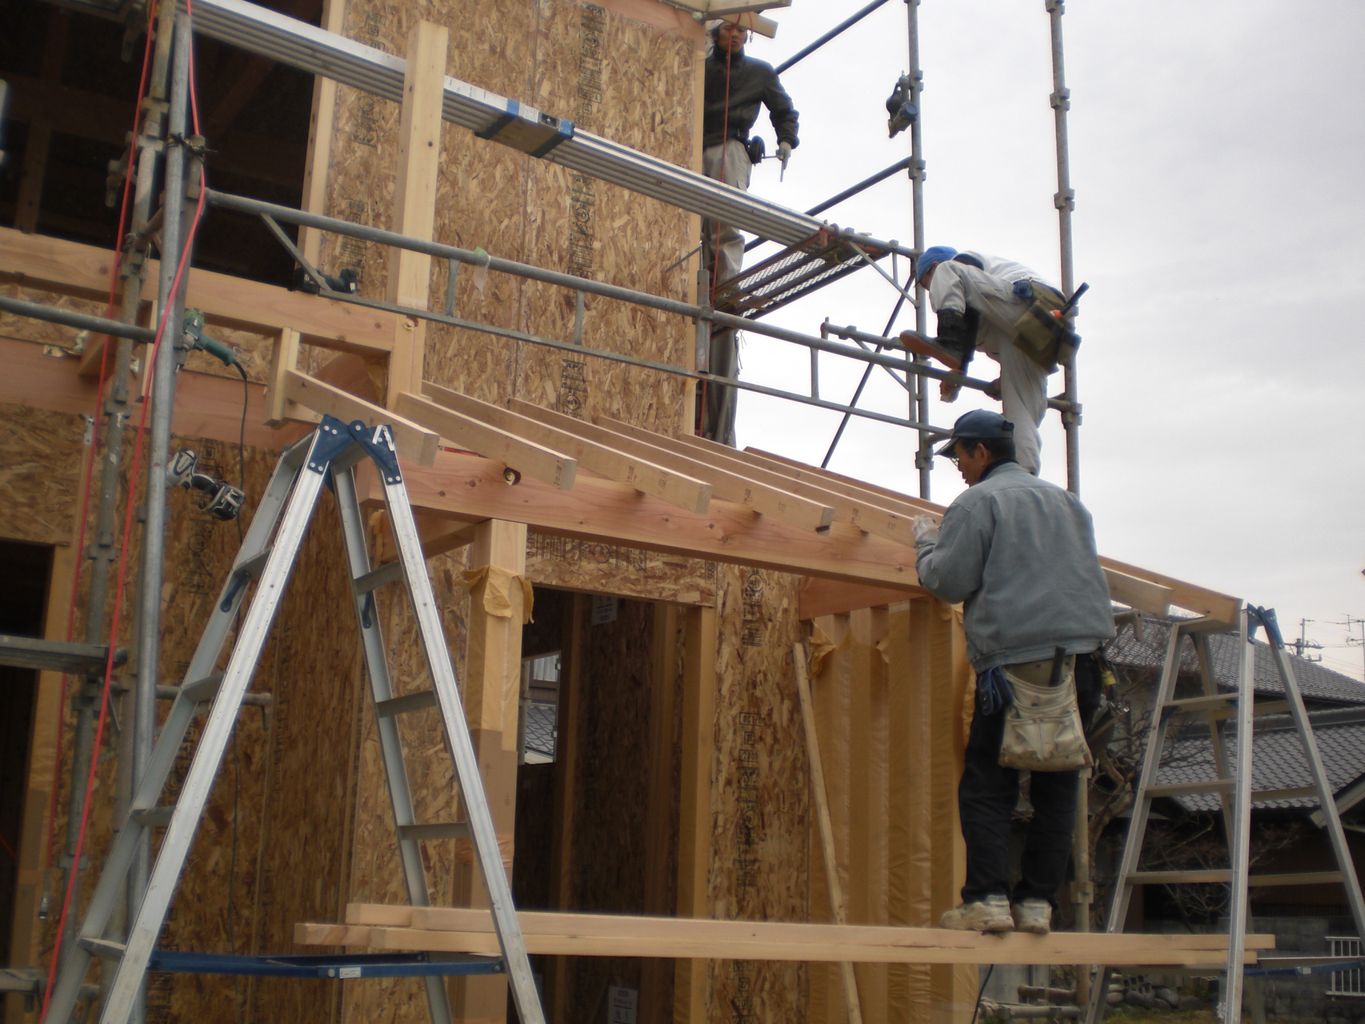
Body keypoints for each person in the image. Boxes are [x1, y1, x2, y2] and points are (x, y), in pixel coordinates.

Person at [910, 409, 1114, 935]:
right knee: (1058, 781)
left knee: (989, 782)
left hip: (1016, 666)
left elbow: (948, 583)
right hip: (1082, 663)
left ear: (981, 452)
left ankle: (987, 899)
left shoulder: (979, 502)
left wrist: (926, 544)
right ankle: (1038, 905)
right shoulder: (1069, 503)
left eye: (959, 454)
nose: (957, 465)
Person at [699, 19, 799, 446]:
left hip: (729, 146)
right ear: (716, 30)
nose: (736, 36)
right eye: (729, 29)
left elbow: (783, 109)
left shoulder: (758, 72)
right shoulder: (698, 63)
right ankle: (703, 272)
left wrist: (786, 140)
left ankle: (727, 283)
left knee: (724, 226)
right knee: (693, 226)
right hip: (690, 138)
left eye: (742, 30)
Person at [905, 246, 1074, 475]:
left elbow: (968, 312)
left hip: (1033, 304)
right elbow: (973, 320)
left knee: (950, 275)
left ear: (931, 268)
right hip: (1038, 334)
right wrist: (1002, 380)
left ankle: (949, 341)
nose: (931, 291)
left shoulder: (958, 263)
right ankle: (1022, 480)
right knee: (1020, 414)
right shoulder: (987, 304)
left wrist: (957, 361)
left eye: (928, 284)